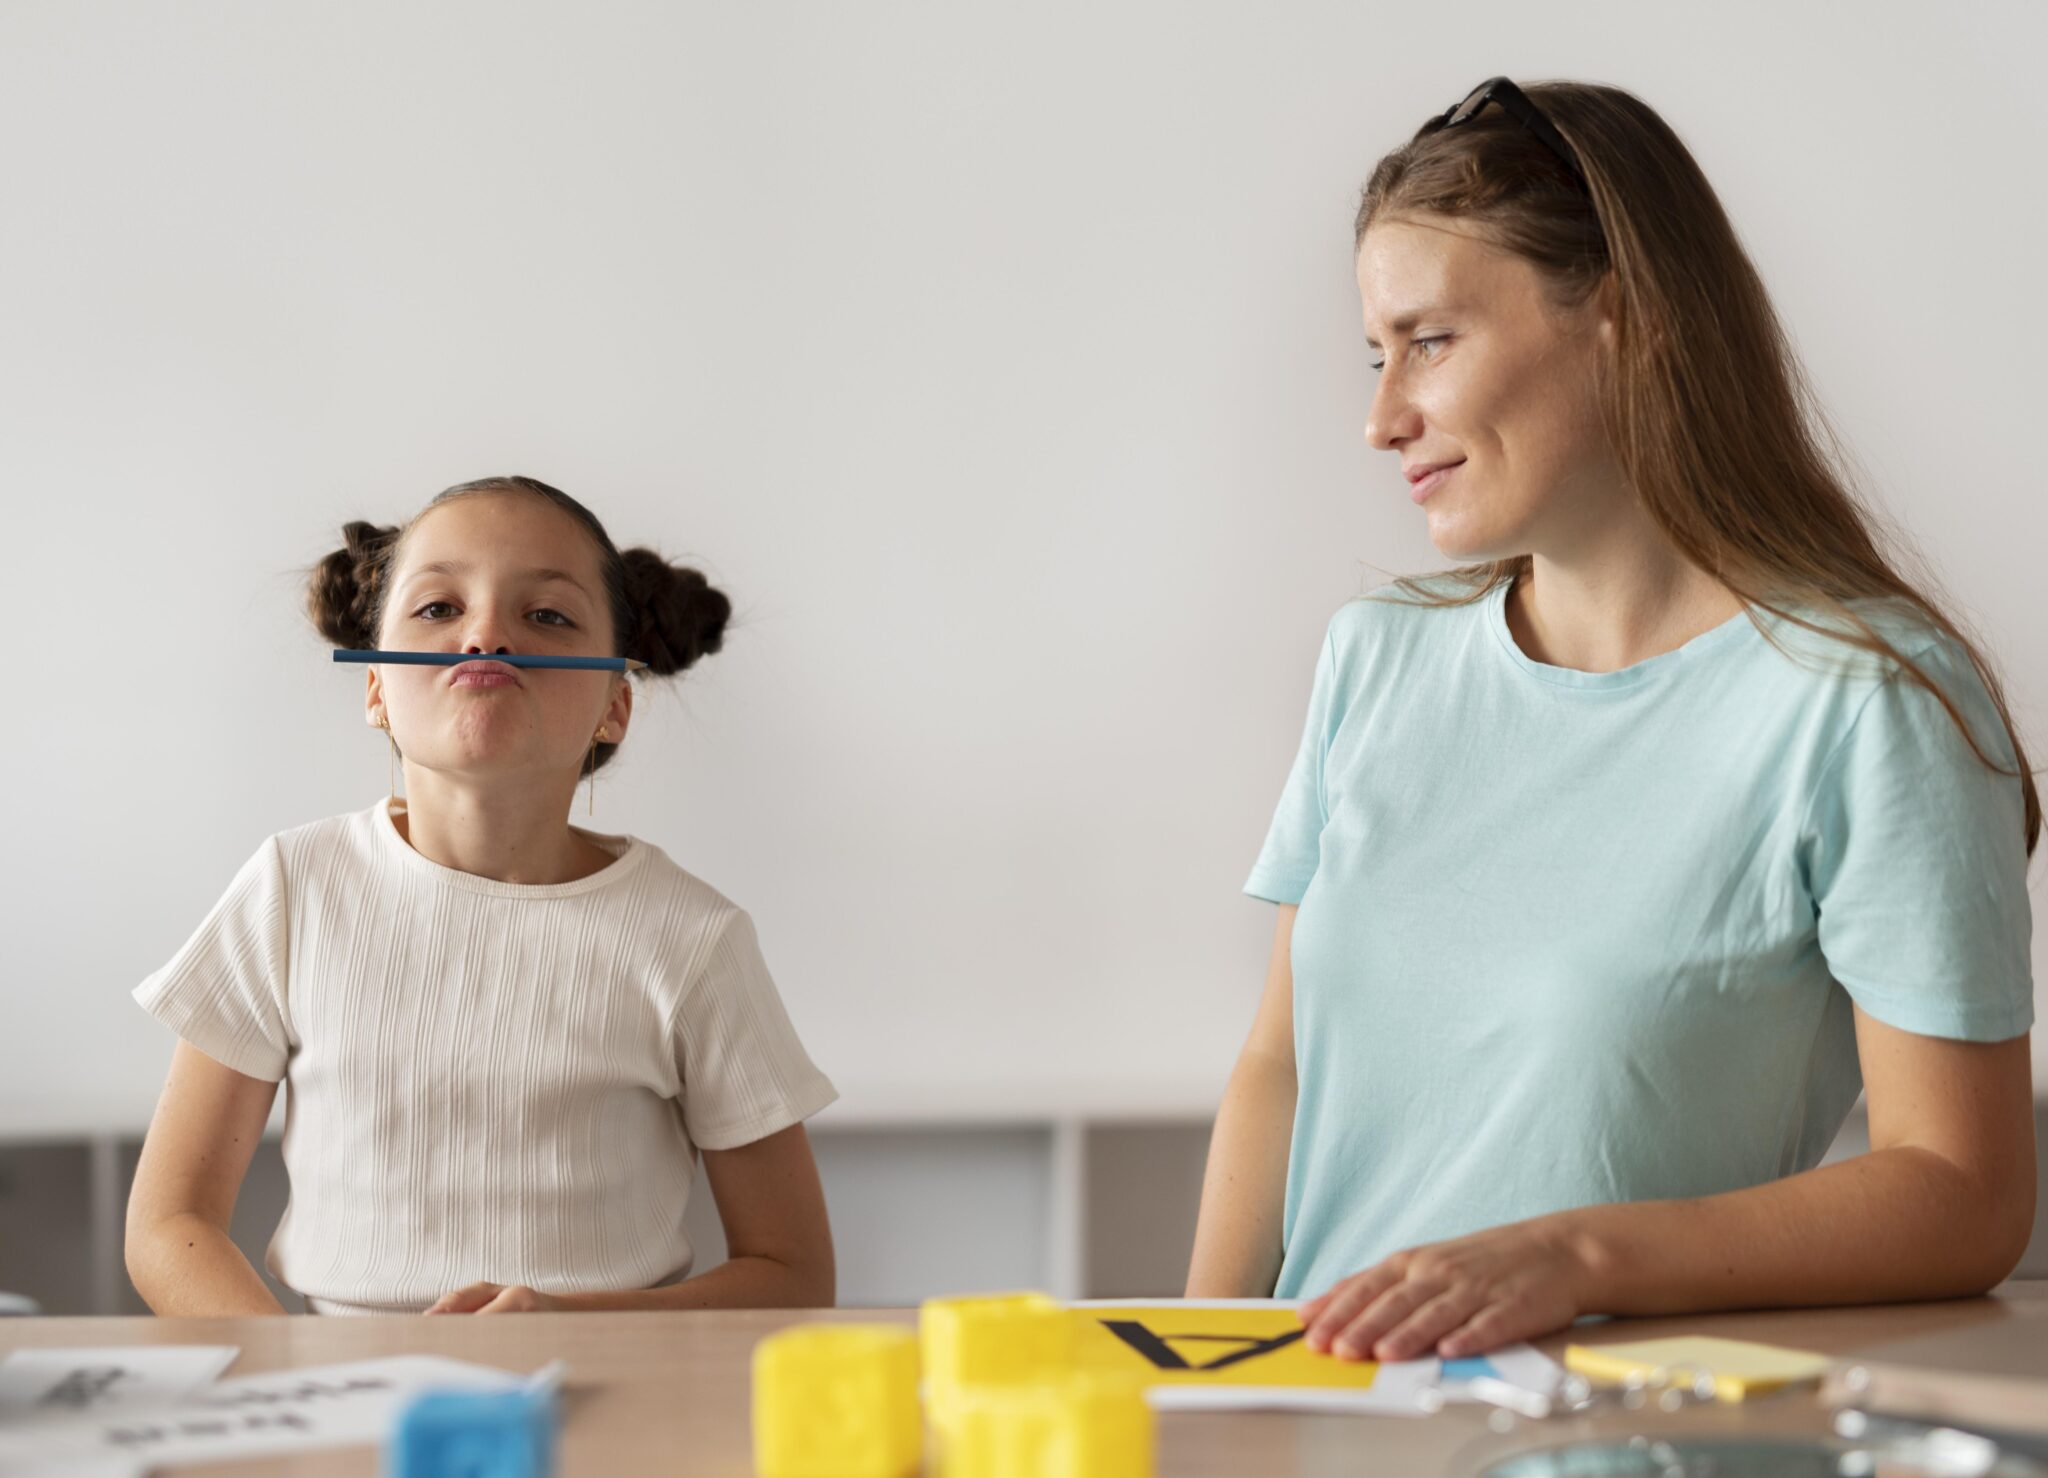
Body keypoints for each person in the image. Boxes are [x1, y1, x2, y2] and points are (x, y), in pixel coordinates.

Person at [1185, 78, 2038, 1363]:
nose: (1379, 419)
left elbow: (1962, 1191)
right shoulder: (1377, 659)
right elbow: (1277, 1069)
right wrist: (1191, 1368)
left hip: (1616, 1435)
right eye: (1376, 355)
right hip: (1318, 1421)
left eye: (1429, 341)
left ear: (1621, 322)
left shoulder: (1863, 701)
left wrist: (1570, 1253)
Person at [125, 476, 838, 1316]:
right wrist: (313, 1386)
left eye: (547, 616)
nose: (487, 636)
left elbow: (793, 1274)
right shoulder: (292, 890)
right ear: (376, 688)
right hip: (347, 1415)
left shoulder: (692, 938)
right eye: (437, 609)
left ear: (616, 704)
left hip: (613, 1404)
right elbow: (168, 1223)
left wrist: (562, 1322)